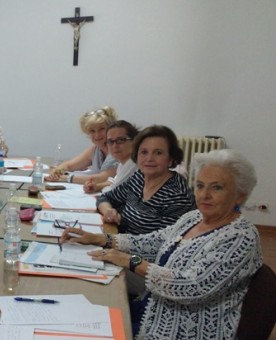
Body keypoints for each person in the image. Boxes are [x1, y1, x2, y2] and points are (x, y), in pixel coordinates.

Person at [61, 149, 262, 339]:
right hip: (151, 309)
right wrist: (101, 239)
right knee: (75, 312)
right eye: (200, 186)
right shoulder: (194, 218)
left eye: (217, 187)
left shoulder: (241, 237)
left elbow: (191, 286)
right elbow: (153, 242)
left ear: (240, 194)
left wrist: (131, 261)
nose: (204, 195)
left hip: (180, 330)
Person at [97, 125, 195, 234]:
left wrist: (109, 241)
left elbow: (161, 243)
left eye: (158, 153)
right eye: (144, 152)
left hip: (133, 249)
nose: (149, 159)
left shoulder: (178, 195)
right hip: (118, 242)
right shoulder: (139, 177)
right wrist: (108, 211)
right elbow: (105, 197)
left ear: (170, 158)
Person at [47, 106, 119, 185]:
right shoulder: (95, 150)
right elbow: (68, 165)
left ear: (110, 128)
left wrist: (67, 177)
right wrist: (57, 172)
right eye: (92, 131)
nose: (97, 134)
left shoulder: (117, 149)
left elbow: (103, 178)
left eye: (101, 129)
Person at [84, 120, 139, 193]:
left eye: (121, 140)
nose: (115, 146)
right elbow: (114, 181)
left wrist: (103, 188)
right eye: (110, 141)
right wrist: (97, 187)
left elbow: (114, 190)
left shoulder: (135, 164)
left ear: (134, 141)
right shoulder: (123, 162)